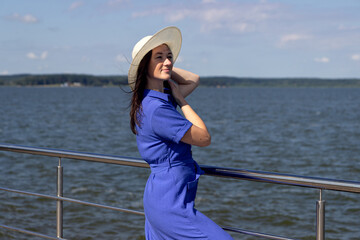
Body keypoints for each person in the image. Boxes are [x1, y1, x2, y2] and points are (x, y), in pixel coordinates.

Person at [128, 26, 233, 240]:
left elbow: (193, 79)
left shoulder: (154, 99)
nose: (168, 61)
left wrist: (163, 69)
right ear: (143, 65)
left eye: (169, 56)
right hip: (169, 203)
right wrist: (182, 101)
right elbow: (204, 138)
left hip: (163, 195)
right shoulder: (158, 109)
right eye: (159, 57)